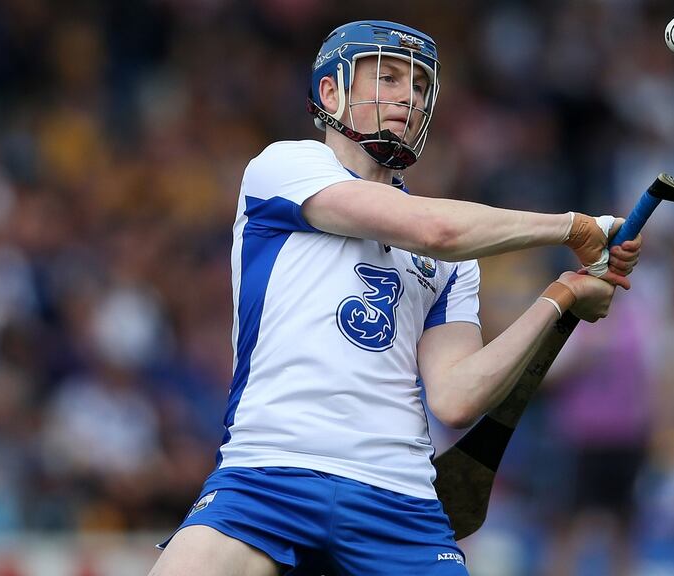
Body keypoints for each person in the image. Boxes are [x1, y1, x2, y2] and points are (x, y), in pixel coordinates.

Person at [150, 20, 641, 576]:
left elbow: (456, 396)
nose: (408, 97)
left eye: (420, 87)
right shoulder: (284, 168)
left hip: (397, 499)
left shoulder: (454, 263)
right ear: (330, 92)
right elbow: (436, 229)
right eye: (387, 77)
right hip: (269, 475)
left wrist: (561, 295)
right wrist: (574, 226)